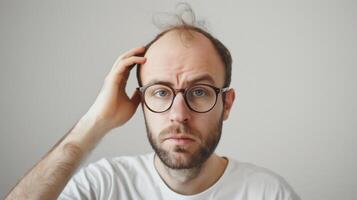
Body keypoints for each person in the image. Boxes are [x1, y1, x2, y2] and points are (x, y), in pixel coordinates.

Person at [5, 6, 301, 200]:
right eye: (160, 92)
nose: (178, 115)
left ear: (227, 103)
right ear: (142, 101)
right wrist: (95, 122)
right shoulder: (103, 185)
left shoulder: (268, 193)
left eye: (199, 92)